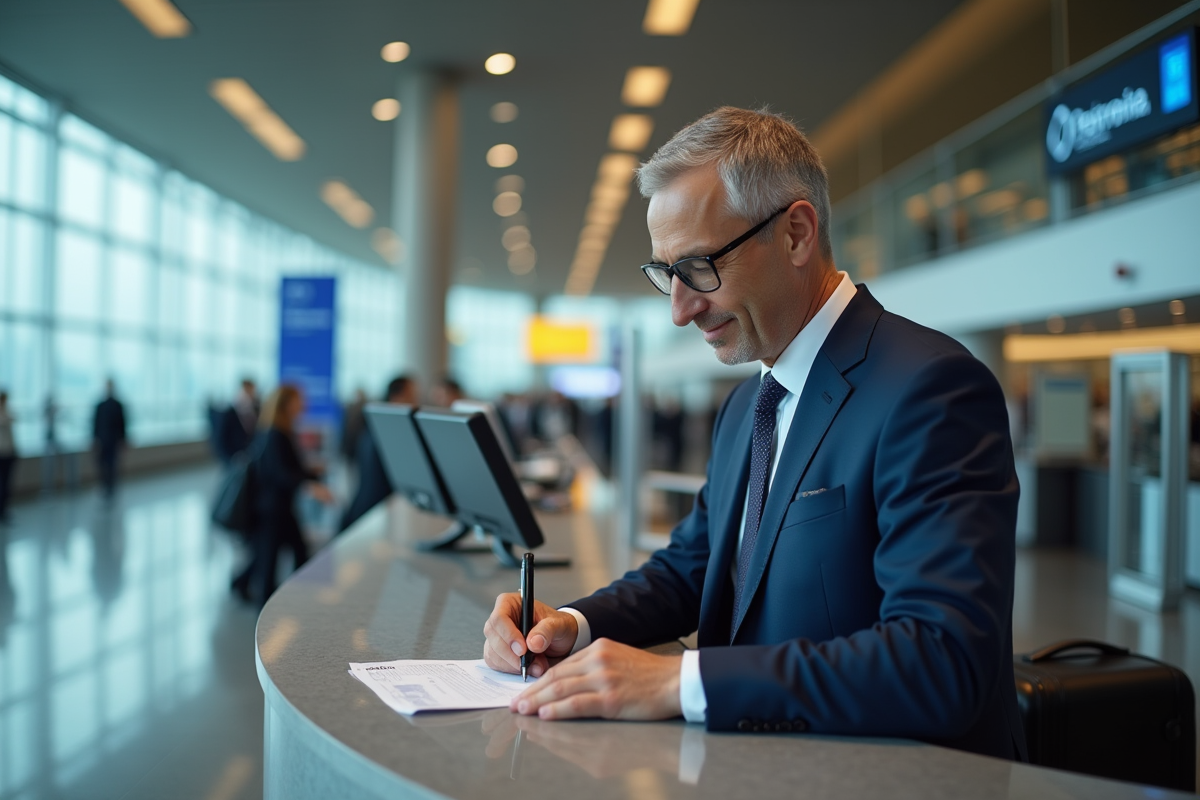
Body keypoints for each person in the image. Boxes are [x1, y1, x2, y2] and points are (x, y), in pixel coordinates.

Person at [482, 107, 1026, 761]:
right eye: (666, 275)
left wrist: (679, 682)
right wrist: (570, 624)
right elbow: (692, 568)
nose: (680, 309)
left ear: (796, 234)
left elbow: (941, 662)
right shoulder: (749, 405)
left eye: (700, 267)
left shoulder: (930, 389)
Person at [231, 385, 333, 605]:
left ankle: (243, 584)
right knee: (269, 563)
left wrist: (310, 472)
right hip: (270, 509)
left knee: (284, 552)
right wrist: (311, 486)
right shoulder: (275, 433)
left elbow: (288, 467)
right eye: (299, 400)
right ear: (286, 404)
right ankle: (264, 611)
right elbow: (280, 473)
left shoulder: (281, 431)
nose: (303, 404)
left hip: (281, 507)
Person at [337, 375, 417, 534]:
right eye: (411, 396)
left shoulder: (376, 422)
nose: (415, 402)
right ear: (397, 397)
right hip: (372, 514)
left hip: (365, 509)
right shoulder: (389, 431)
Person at [92, 380, 127, 499]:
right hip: (102, 440)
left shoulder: (118, 405)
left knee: (112, 465)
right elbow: (95, 424)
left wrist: (123, 440)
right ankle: (104, 486)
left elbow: (123, 424)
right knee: (102, 464)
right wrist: (95, 439)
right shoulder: (100, 405)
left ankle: (111, 487)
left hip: (113, 440)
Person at [215, 379, 259, 466]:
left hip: (248, 452)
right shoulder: (230, 412)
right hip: (234, 455)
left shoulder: (254, 407)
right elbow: (221, 438)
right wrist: (229, 458)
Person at [0, 392, 16, 523]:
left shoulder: (7, 410)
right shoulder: (3, 413)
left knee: (6, 483)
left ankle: (4, 509)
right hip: (2, 453)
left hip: (9, 452)